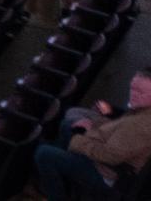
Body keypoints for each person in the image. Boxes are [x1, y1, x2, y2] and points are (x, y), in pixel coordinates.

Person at [33, 67, 151, 201]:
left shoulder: (141, 125)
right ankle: (64, 181)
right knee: (68, 127)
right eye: (132, 88)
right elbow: (120, 129)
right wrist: (92, 127)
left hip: (106, 175)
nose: (133, 94)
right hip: (105, 160)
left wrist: (81, 137)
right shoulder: (142, 109)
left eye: (141, 92)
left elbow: (109, 156)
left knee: (44, 153)